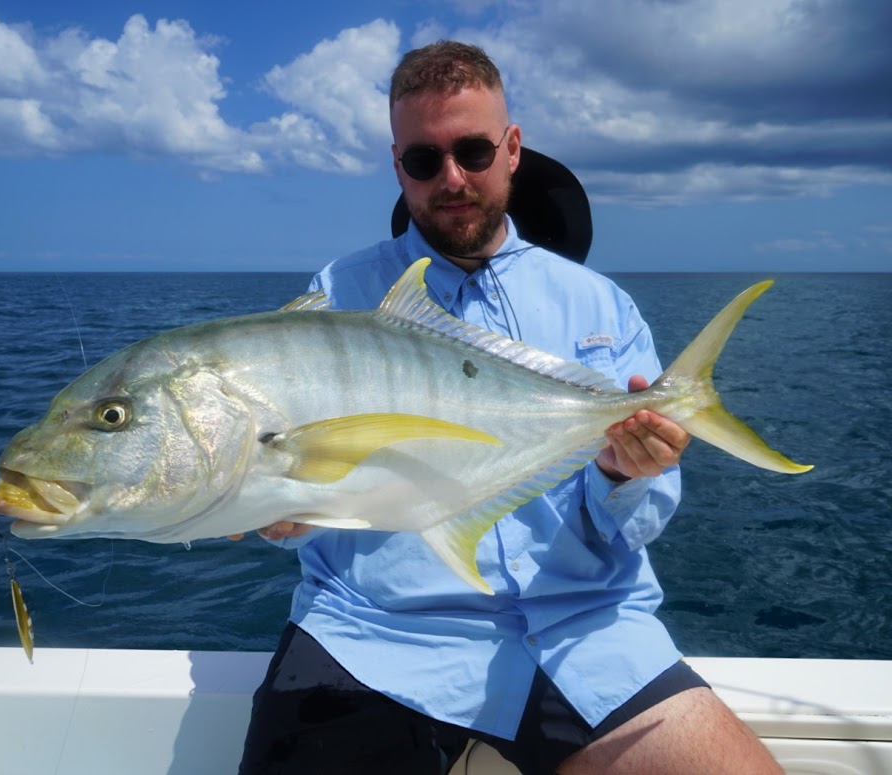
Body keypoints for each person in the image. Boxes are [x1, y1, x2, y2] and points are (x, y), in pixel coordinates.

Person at [236, 41, 781, 774]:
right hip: (378, 636)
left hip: (584, 629)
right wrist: (277, 506)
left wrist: (625, 474)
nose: (452, 178)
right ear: (398, 165)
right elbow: (296, 505)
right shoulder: (337, 296)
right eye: (425, 160)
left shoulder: (598, 305)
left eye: (472, 150)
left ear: (513, 148)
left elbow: (640, 519)